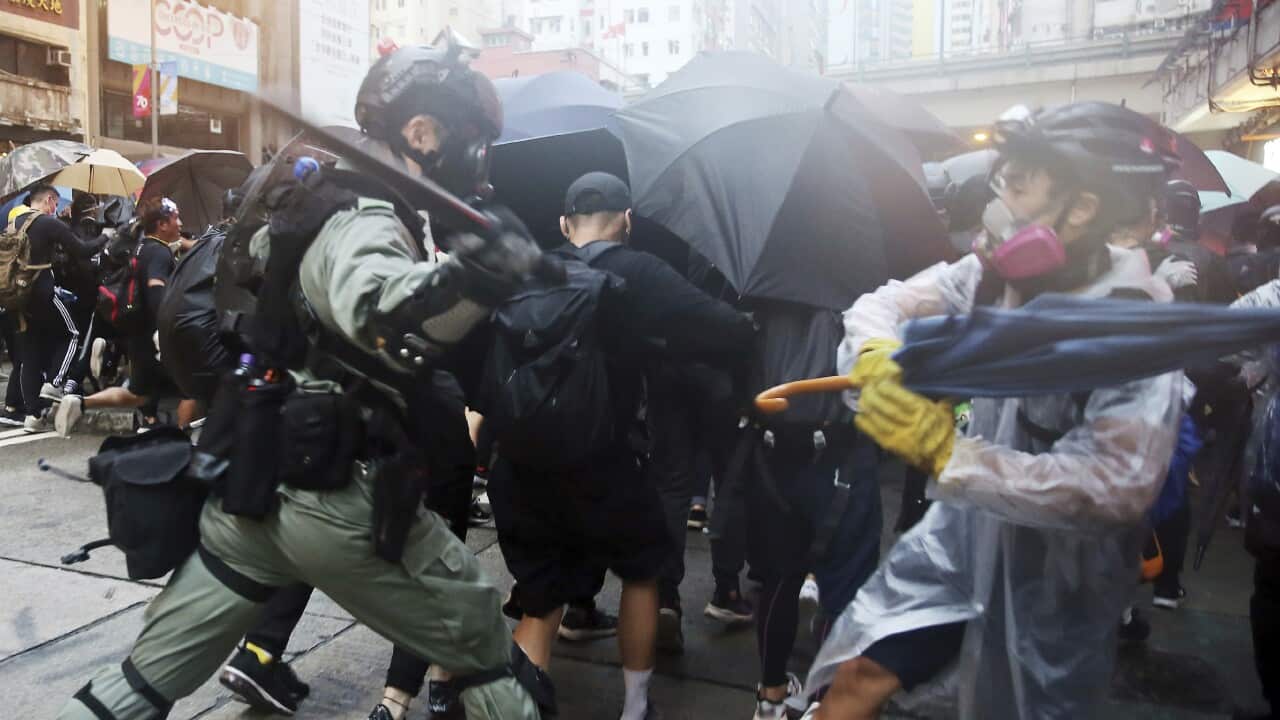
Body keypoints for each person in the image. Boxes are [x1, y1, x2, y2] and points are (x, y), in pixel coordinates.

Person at [57, 42, 546, 720]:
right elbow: (382, 315)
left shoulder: (314, 202)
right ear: (424, 133)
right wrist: (477, 275)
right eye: (474, 143)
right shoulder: (363, 217)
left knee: (142, 683)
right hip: (333, 494)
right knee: (490, 656)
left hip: (255, 486)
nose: (478, 160)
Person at [807, 102, 1183, 719]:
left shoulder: (1133, 328)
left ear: (1082, 208)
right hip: (959, 547)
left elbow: (1116, 484)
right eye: (1002, 180)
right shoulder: (990, 280)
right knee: (858, 675)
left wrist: (949, 454)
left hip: (1053, 585)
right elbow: (886, 302)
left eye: (1019, 184)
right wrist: (875, 350)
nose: (999, 200)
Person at [485, 171, 756, 720]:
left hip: (520, 459)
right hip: (603, 463)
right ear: (627, 220)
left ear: (565, 223)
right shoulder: (641, 271)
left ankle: (512, 709)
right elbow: (727, 327)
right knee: (642, 571)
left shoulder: (530, 269)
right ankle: (635, 707)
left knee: (541, 599)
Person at [55, 197, 196, 434]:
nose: (180, 223)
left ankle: (79, 402)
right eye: (176, 218)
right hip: (156, 337)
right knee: (194, 388)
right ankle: (185, 444)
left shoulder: (142, 247)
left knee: (137, 395)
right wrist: (162, 331)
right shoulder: (159, 253)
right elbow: (155, 292)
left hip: (137, 334)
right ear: (162, 224)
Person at [9, 184, 105, 432]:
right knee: (72, 334)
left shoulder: (14, 222)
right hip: (42, 291)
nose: (57, 209)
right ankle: (55, 383)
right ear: (49, 200)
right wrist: (108, 237)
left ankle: (34, 417)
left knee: (30, 352)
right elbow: (83, 250)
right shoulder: (47, 223)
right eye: (56, 203)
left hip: (18, 297)